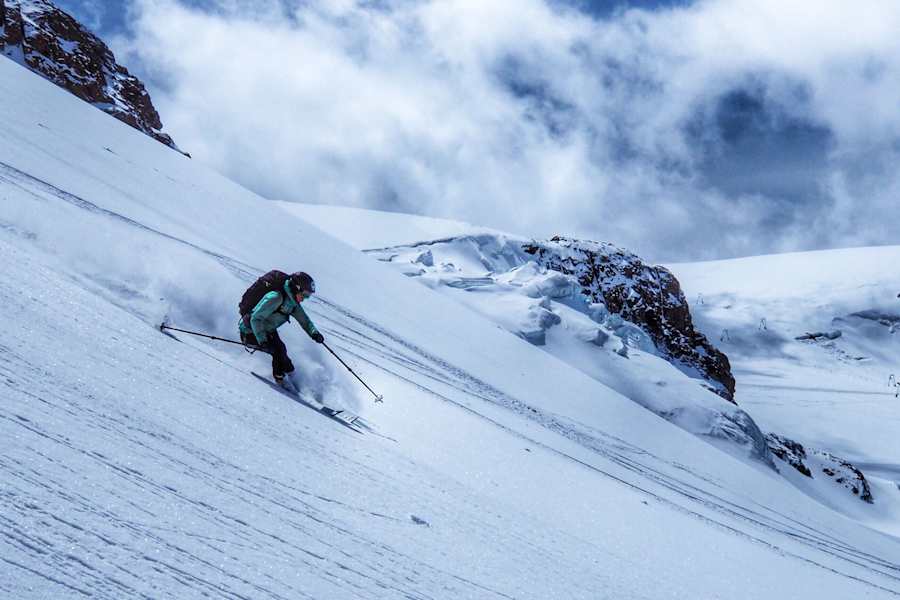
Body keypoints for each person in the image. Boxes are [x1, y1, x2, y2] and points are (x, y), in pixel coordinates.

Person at [239, 271, 325, 386]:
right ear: (296, 288)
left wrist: (315, 334)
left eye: (308, 296)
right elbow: (255, 319)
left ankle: (295, 379)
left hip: (267, 331)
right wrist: (262, 340)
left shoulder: (292, 303)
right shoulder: (276, 297)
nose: (305, 298)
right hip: (250, 332)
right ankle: (280, 381)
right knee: (278, 351)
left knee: (283, 353)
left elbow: (305, 321)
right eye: (305, 294)